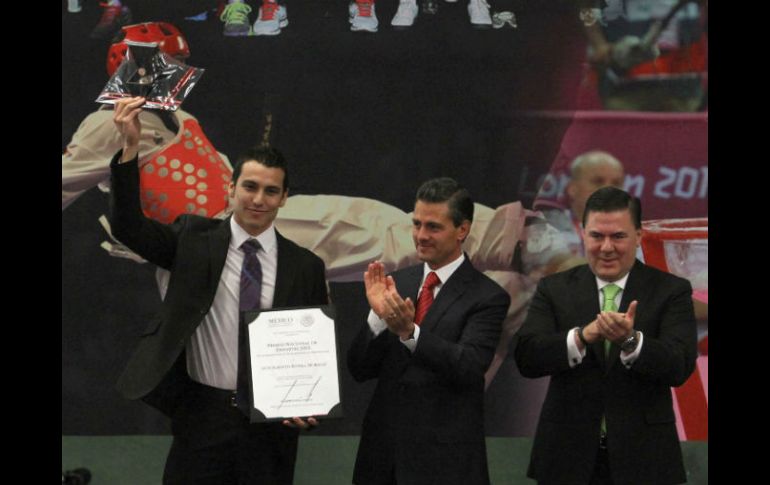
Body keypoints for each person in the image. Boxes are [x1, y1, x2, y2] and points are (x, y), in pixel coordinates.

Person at [110, 96, 328, 484]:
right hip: (202, 417)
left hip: (270, 427)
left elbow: (310, 350)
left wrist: (308, 403)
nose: (259, 199)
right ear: (231, 188)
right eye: (250, 186)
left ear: (284, 198)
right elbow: (129, 229)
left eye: (271, 191)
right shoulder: (193, 238)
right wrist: (130, 149)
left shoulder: (305, 266)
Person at [513, 186, 697, 485]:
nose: (607, 247)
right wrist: (582, 337)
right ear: (582, 233)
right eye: (597, 236)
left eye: (618, 236)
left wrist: (631, 342)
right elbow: (527, 356)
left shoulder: (670, 290)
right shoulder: (554, 288)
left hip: (644, 460)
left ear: (638, 236)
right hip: (566, 459)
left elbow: (679, 365)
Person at [348, 177, 510, 485]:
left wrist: (410, 334)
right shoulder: (396, 284)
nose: (421, 235)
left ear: (462, 229)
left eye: (433, 227)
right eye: (417, 224)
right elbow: (359, 368)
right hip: (382, 461)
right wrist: (377, 319)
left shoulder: (487, 296)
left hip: (444, 464)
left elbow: (469, 366)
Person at [62, 21, 233, 259]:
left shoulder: (184, 118)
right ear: (134, 69)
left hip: (238, 234)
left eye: (182, 60)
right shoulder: (106, 124)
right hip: (192, 257)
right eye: (170, 62)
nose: (180, 70)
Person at [536, 150, 625, 262]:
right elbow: (550, 268)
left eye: (616, 183)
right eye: (598, 181)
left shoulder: (632, 236)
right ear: (572, 188)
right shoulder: (547, 225)